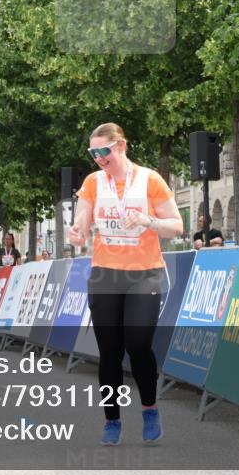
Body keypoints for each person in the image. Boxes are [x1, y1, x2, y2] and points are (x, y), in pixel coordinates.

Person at [68, 123, 183, 446]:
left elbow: (176, 226)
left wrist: (149, 221)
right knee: (109, 352)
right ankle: (112, 419)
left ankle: (149, 407)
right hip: (105, 273)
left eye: (102, 151)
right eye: (92, 153)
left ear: (121, 146)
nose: (98, 158)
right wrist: (77, 231)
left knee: (138, 344)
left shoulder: (150, 180)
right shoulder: (92, 182)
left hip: (144, 273)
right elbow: (82, 218)